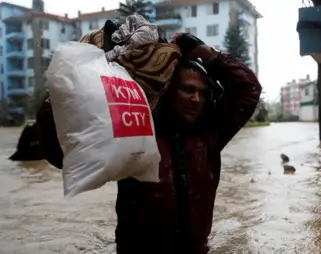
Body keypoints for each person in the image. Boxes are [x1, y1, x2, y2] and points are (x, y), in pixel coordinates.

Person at [35, 33, 262, 253]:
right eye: (188, 90)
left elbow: (248, 90)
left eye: (203, 93)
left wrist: (211, 55)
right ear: (168, 90)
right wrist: (58, 100)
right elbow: (61, 156)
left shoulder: (209, 134)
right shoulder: (135, 132)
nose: (196, 99)